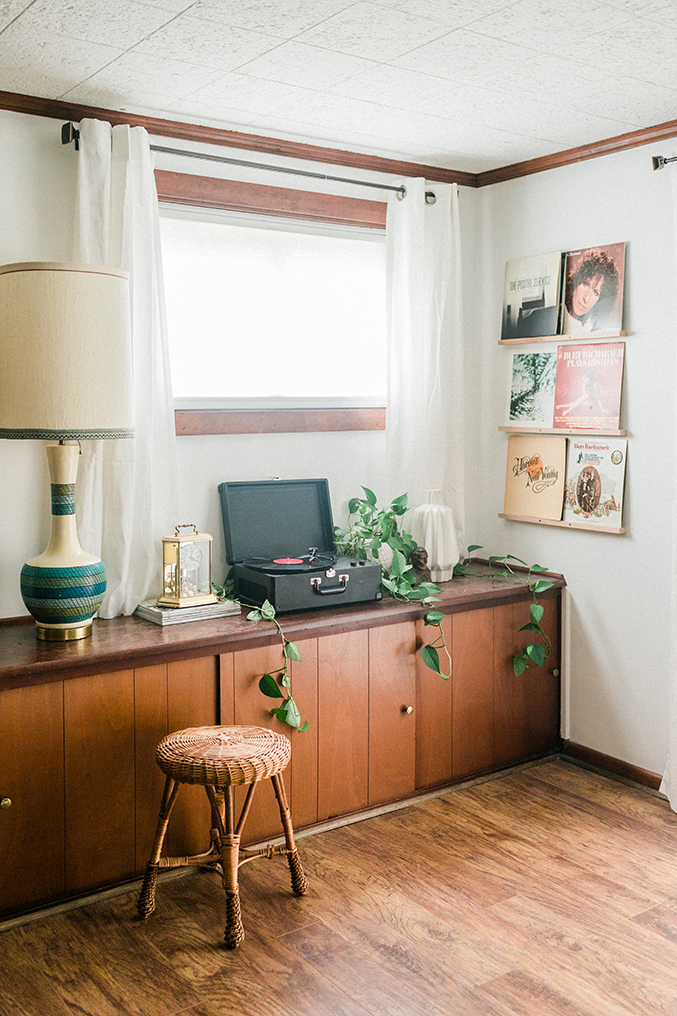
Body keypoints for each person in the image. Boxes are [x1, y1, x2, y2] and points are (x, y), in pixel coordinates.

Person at [563, 248, 621, 333]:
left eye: (595, 292)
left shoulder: (593, 328)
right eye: (585, 284)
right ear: (577, 279)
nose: (586, 299)